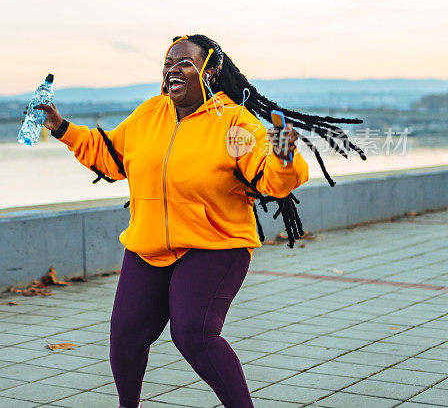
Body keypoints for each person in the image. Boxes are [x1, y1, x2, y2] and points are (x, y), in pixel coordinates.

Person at [36, 34, 365, 408]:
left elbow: (269, 178)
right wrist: (61, 127)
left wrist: (285, 157)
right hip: (150, 244)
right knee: (126, 336)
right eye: (168, 63)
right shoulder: (149, 114)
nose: (172, 70)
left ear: (209, 71)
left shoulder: (235, 125)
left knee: (193, 332)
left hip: (216, 244)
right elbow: (110, 155)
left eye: (184, 63)